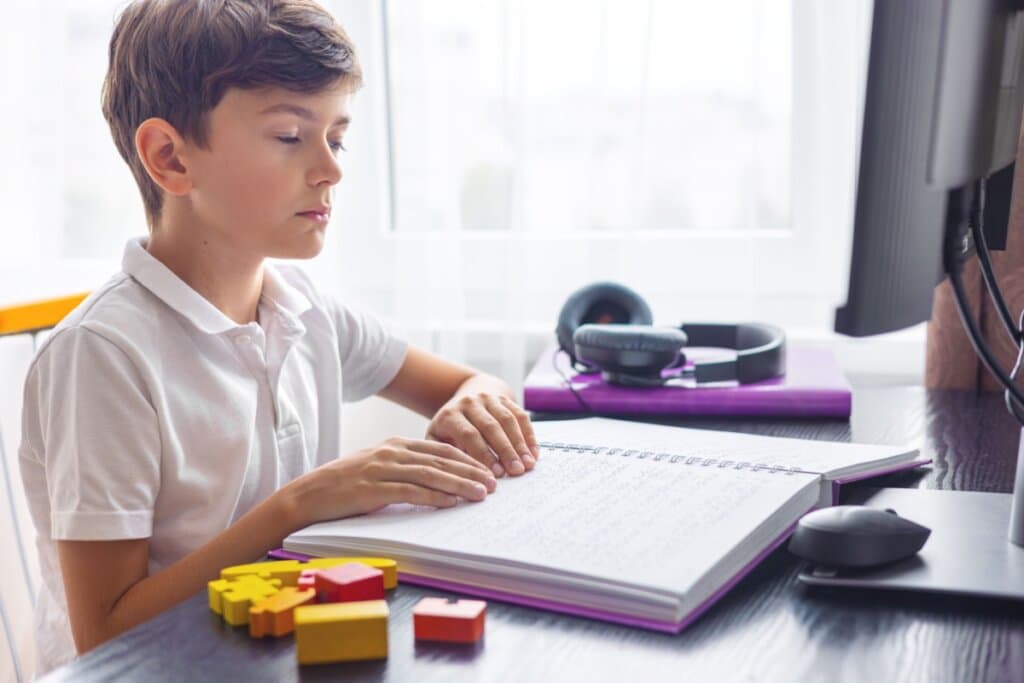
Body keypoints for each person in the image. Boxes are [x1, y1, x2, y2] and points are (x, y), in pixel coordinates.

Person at [17, 0, 539, 674]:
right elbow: (106, 631)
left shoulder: (304, 308)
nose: (331, 169)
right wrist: (298, 506)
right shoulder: (103, 357)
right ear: (171, 158)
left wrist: (476, 399)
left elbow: (468, 383)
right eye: (292, 136)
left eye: (337, 137)